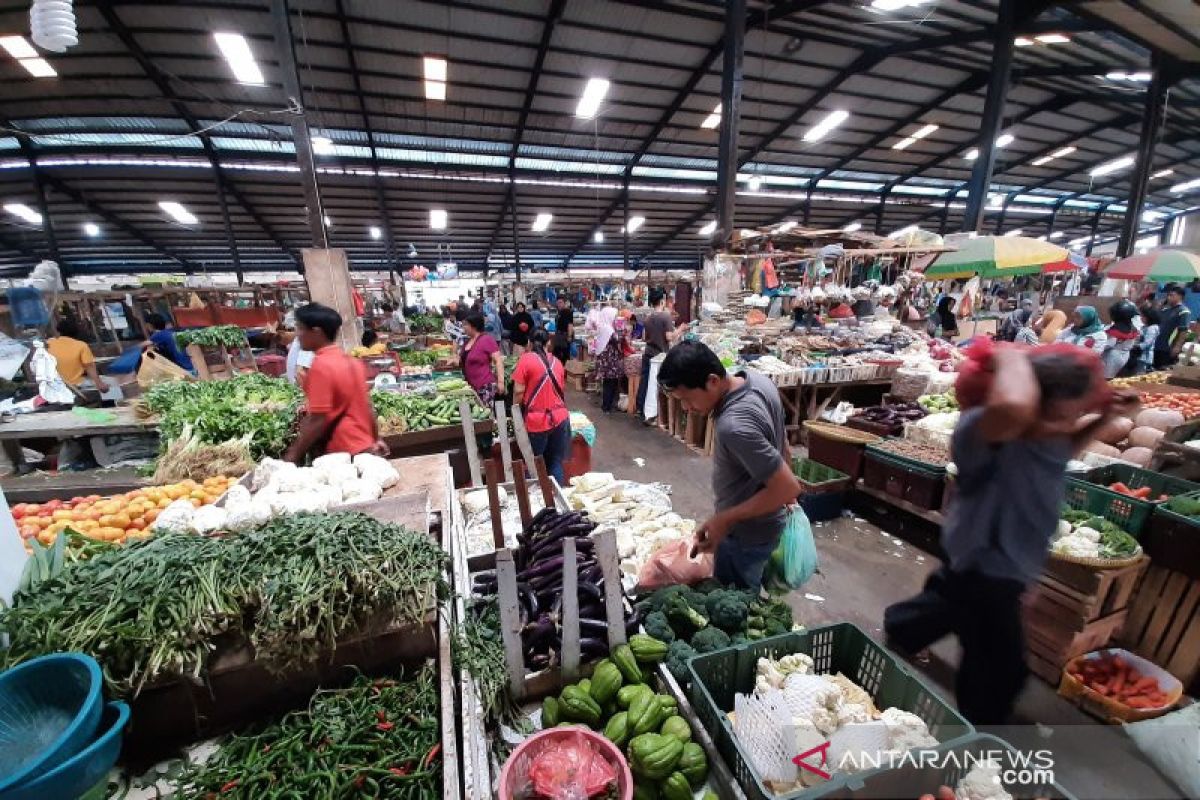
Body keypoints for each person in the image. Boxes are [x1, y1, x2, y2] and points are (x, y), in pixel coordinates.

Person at [884, 341, 1134, 724]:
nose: (1079, 412)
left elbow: (1060, 451)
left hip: (998, 561)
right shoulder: (986, 429)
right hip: (985, 561)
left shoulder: (1045, 433)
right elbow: (1013, 406)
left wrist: (1099, 419)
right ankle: (982, 727)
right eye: (1075, 405)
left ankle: (902, 626)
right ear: (1042, 398)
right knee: (1000, 667)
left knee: (950, 602)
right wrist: (1012, 355)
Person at [657, 341, 801, 590]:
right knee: (753, 594)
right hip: (765, 528)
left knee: (739, 603)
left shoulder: (734, 426)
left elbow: (788, 487)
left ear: (712, 380)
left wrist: (724, 520)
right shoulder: (757, 381)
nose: (686, 408)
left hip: (746, 536)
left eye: (688, 398)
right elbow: (782, 445)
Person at [283, 303, 387, 463]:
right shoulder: (351, 361)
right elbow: (367, 407)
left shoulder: (321, 366)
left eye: (301, 329)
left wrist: (292, 456)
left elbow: (317, 420)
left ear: (316, 332)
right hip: (366, 449)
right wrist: (376, 438)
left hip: (342, 454)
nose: (298, 335)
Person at [512, 330, 571, 485]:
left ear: (529, 343)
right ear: (548, 343)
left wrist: (515, 412)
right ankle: (558, 504)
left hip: (537, 421)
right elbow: (560, 391)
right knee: (555, 463)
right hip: (560, 419)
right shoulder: (557, 362)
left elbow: (518, 392)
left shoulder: (525, 360)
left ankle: (533, 503)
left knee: (532, 466)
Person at [635, 289, 679, 418]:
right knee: (656, 384)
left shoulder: (648, 318)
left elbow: (644, 337)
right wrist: (681, 329)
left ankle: (640, 408)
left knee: (644, 381)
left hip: (647, 352)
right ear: (661, 301)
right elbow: (669, 337)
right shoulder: (665, 316)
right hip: (659, 355)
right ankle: (654, 413)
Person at [460, 313, 505, 408]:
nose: (464, 327)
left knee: (485, 415)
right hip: (471, 387)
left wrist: (501, 382)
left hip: (484, 386)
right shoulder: (468, 341)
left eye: (466, 325)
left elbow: (498, 360)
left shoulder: (486, 340)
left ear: (474, 326)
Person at [47, 318, 107, 390]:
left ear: (59, 331)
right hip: (75, 383)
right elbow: (89, 367)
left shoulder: (48, 343)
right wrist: (99, 384)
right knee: (109, 382)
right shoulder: (81, 345)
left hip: (52, 384)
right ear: (76, 332)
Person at [594, 311, 626, 412]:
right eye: (614, 316)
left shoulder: (604, 327)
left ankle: (606, 405)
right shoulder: (608, 329)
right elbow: (617, 340)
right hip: (610, 360)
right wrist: (624, 332)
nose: (615, 318)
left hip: (606, 359)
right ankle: (607, 406)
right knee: (610, 383)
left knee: (608, 383)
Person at [1154, 285, 1191, 369]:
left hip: (1168, 348)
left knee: (1163, 370)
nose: (1169, 297)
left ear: (1180, 296)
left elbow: (1183, 331)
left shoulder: (1183, 311)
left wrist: (1177, 347)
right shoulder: (1165, 310)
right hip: (1157, 345)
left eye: (1172, 295)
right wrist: (1159, 307)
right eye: (1168, 295)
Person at [1101, 300, 1140, 379]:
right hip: (1126, 355)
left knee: (1107, 379)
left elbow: (1107, 345)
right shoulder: (1133, 328)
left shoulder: (1116, 330)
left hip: (1112, 357)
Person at [1131, 307, 1160, 375]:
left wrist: (1136, 346)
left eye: (1143, 316)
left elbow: (1147, 343)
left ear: (1149, 317)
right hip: (1140, 355)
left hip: (1145, 356)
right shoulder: (1145, 327)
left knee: (1140, 373)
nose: (1141, 318)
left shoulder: (1152, 328)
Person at [552, 298, 575, 364]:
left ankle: (565, 371)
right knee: (557, 355)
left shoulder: (568, 312)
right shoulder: (559, 312)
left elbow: (570, 324)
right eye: (558, 303)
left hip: (564, 336)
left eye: (560, 302)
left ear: (564, 303)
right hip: (558, 336)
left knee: (565, 355)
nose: (559, 304)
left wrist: (569, 336)